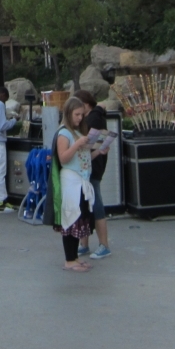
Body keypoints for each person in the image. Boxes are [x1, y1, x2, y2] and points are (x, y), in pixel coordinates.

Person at [53, 96, 103, 272]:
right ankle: (69, 259)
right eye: (77, 114)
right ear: (68, 113)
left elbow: (83, 158)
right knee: (70, 217)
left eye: (82, 114)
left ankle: (74, 257)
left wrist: (99, 152)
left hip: (81, 179)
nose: (80, 118)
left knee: (78, 217)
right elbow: (63, 158)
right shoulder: (64, 133)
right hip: (70, 181)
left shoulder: (78, 133)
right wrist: (78, 144)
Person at [74, 90, 112, 260]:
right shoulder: (95, 116)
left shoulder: (93, 119)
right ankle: (84, 244)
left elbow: (92, 143)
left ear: (86, 105)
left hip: (92, 166)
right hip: (91, 164)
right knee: (86, 204)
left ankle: (104, 244)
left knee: (95, 204)